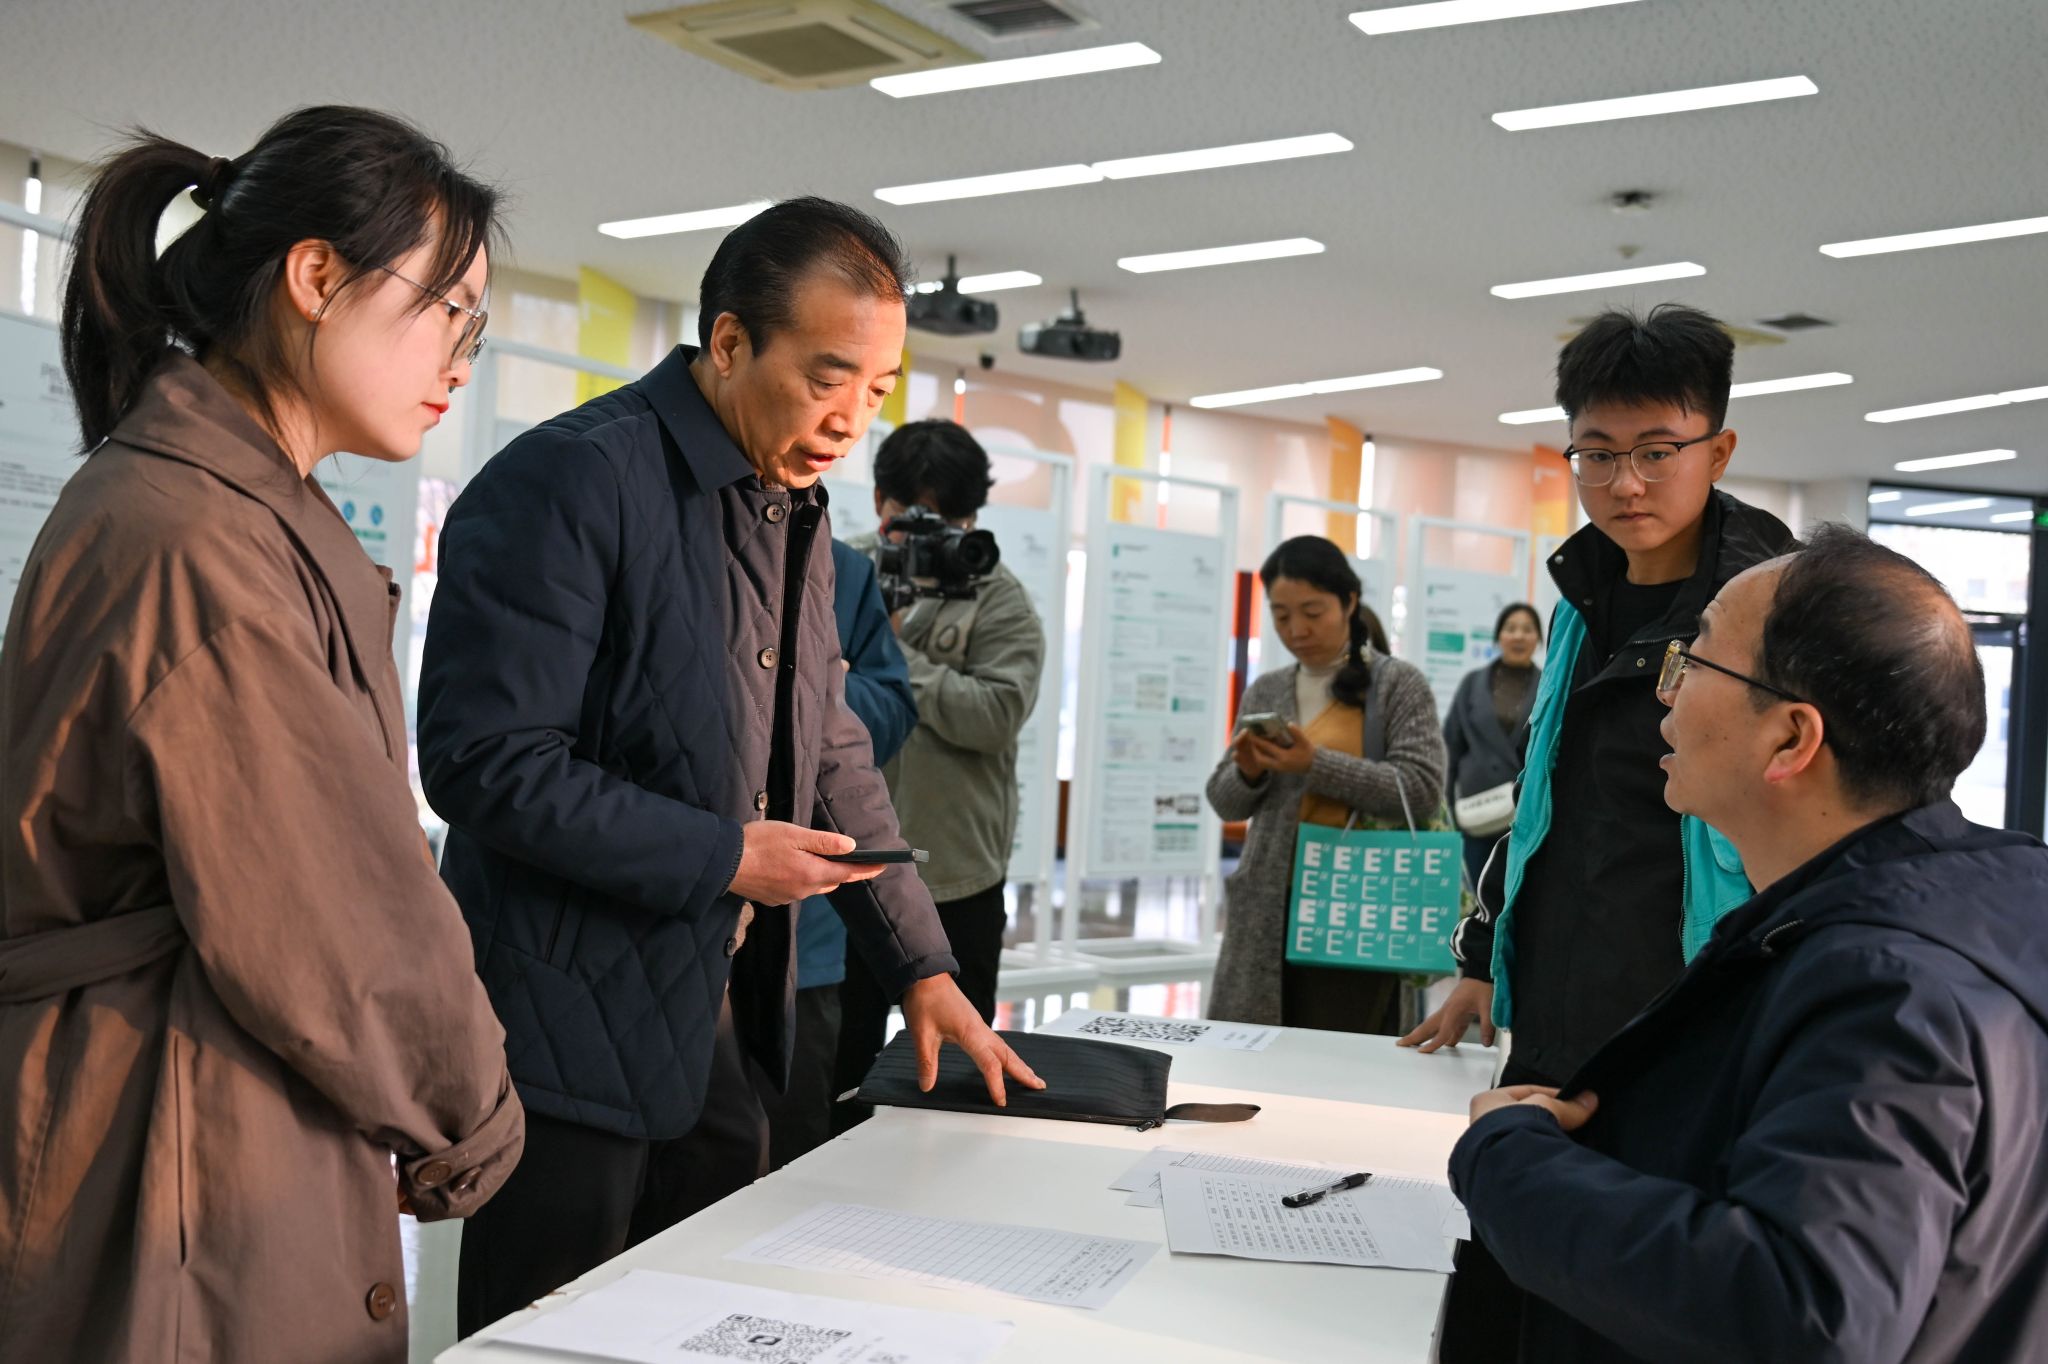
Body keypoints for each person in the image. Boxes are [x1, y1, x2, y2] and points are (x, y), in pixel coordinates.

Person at [417, 197, 1041, 1337]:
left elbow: (831, 746)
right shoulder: (570, 478)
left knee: (699, 1325)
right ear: (730, 340)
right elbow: (483, 760)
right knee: (549, 1336)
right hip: (561, 1035)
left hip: (720, 1024)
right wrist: (721, 856)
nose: (850, 420)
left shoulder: (789, 503)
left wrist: (920, 963)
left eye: (877, 390)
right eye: (827, 378)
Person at [0, 108, 523, 1363]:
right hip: (172, 1129)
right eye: (447, 310)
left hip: (180, 1104)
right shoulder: (200, 540)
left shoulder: (202, 503)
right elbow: (338, 913)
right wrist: (472, 1115)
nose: (459, 357)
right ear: (316, 276)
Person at [1452, 526, 2048, 1363]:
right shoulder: (1967, 912)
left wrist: (1513, 1162)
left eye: (1693, 660)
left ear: (1792, 739)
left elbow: (1798, 1315)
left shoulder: (1885, 992)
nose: (1665, 694)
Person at [1403, 305, 1795, 1361]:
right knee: (1521, 1284)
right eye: (1598, 453)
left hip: (1686, 1022)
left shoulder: (1774, 615)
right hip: (1558, 1017)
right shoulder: (1584, 595)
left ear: (1717, 449)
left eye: (1658, 451)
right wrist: (1483, 959)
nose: (1626, 483)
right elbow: (1546, 801)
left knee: (1637, 1303)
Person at [833, 419, 1044, 1128]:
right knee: (835, 1069)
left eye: (947, 520)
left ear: (973, 517)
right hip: (841, 865)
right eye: (910, 516)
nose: (928, 533)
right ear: (878, 502)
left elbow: (995, 716)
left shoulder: (998, 593)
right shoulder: (839, 571)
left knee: (956, 1084)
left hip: (955, 874)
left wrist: (893, 659)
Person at [1205, 536, 1446, 1034]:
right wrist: (1249, 772)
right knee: (1253, 1051)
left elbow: (1421, 789)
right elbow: (1224, 801)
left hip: (1358, 903)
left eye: (1312, 612)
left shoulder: (1397, 685)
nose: (1297, 630)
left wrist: (1314, 764)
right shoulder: (1268, 688)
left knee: (1342, 1054)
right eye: (1281, 616)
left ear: (1349, 601)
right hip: (1268, 906)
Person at [765, 538, 917, 1168]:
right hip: (675, 918)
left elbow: (893, 709)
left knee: (791, 1152)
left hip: (807, 941)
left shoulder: (840, 566)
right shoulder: (660, 535)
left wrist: (825, 691)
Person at [1442, 602, 1542, 887]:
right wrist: (1447, 809)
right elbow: (1450, 747)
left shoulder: (1549, 685)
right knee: (1473, 893)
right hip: (1476, 813)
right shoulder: (1472, 683)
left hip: (1525, 813)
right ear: (1499, 636)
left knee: (1518, 892)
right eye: (1511, 628)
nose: (1519, 636)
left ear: (1538, 638)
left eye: (1527, 629)